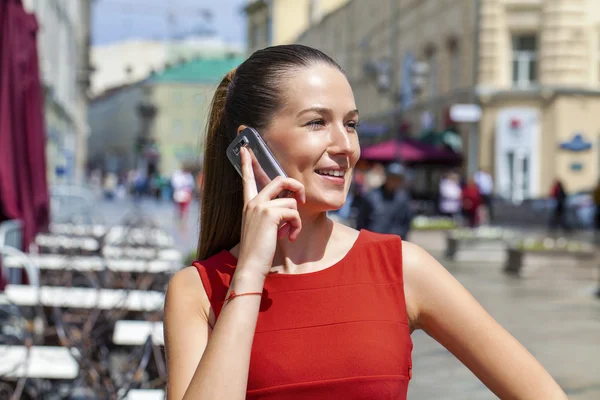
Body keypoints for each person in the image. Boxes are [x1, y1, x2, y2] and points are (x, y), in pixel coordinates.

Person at [164, 45, 566, 400]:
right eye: (317, 122)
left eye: (351, 123)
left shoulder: (402, 268)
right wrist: (249, 274)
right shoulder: (197, 291)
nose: (346, 146)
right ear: (249, 145)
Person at [355, 162, 413, 239]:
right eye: (392, 178)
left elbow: (406, 222)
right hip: (372, 240)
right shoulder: (371, 196)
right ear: (386, 177)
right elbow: (361, 222)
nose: (395, 182)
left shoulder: (403, 199)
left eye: (398, 179)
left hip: (394, 242)